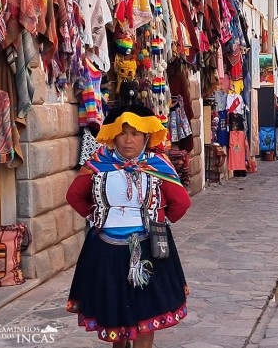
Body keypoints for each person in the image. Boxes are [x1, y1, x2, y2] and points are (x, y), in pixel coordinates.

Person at [66, 105, 192, 348]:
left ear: (146, 136)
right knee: (133, 308)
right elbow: (74, 195)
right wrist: (97, 216)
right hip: (107, 249)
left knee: (133, 310)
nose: (128, 140)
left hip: (146, 250)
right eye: (122, 133)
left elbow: (182, 202)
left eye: (135, 134)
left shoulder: (154, 165)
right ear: (113, 135)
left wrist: (160, 221)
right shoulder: (97, 164)